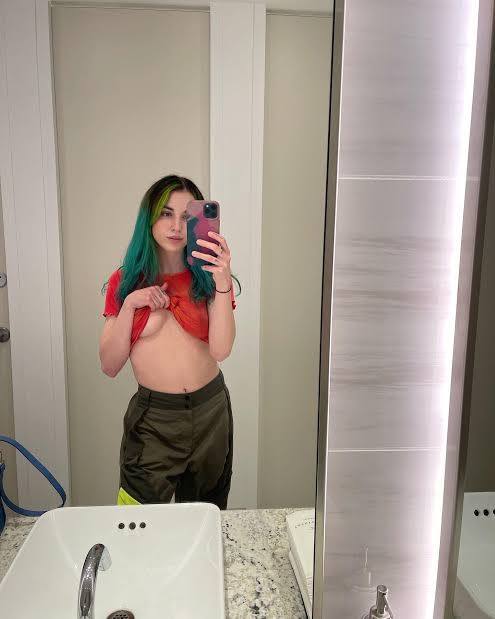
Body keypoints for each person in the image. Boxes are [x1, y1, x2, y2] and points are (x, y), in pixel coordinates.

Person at [99, 174, 238, 509]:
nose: (176, 226)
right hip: (154, 420)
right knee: (138, 522)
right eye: (166, 213)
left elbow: (221, 350)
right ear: (149, 218)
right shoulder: (126, 280)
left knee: (206, 515)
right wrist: (130, 305)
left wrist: (222, 282)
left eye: (187, 216)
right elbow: (109, 365)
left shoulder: (210, 278)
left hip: (211, 411)